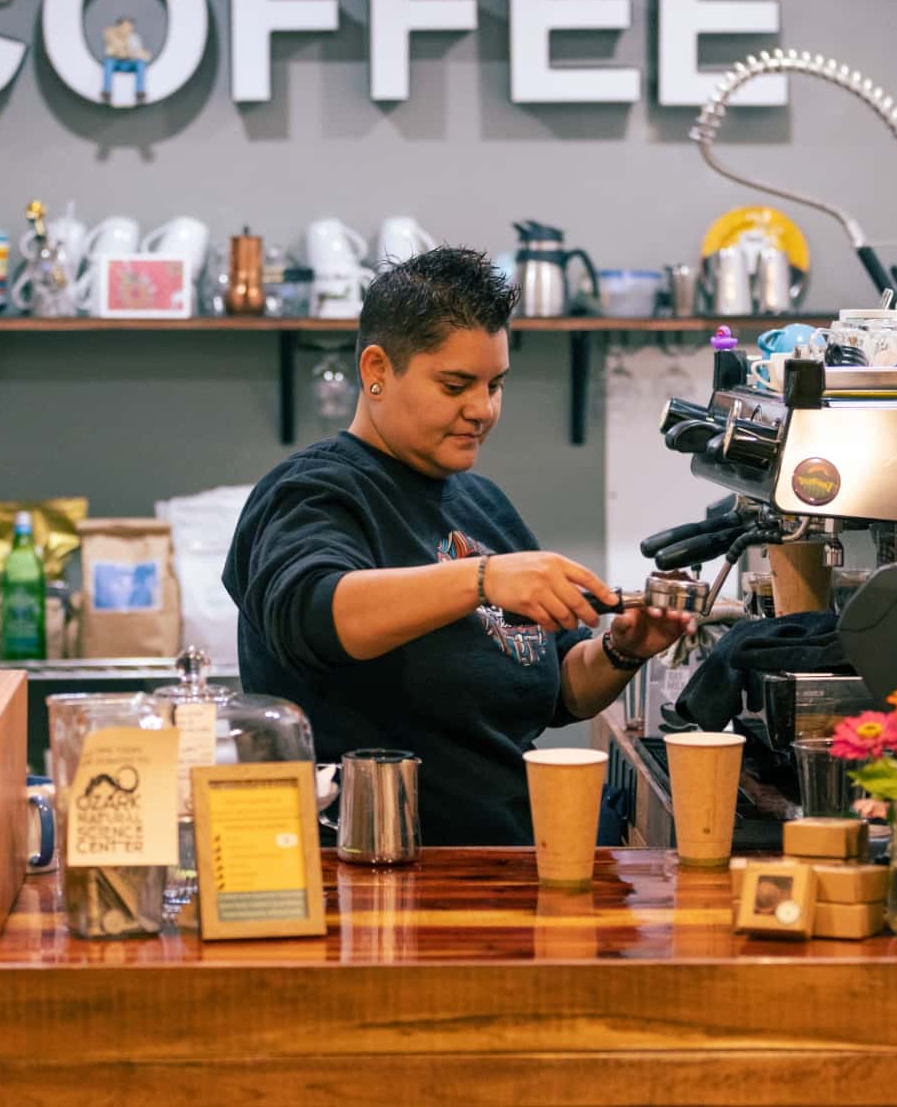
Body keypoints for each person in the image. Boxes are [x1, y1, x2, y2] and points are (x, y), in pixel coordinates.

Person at [222, 247, 695, 845]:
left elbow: (559, 693)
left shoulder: (483, 505)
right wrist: (481, 579)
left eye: (495, 385)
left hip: (509, 858)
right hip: (370, 870)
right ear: (377, 369)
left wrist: (622, 652)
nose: (483, 409)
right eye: (456, 385)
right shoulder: (312, 491)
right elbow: (313, 613)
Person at [100, 16, 151, 105]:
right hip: (117, 63)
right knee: (108, 62)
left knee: (140, 63)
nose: (128, 28)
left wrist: (130, 52)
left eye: (130, 26)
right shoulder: (111, 35)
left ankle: (140, 92)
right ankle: (106, 92)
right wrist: (121, 48)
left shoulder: (134, 38)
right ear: (119, 26)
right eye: (125, 25)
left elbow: (141, 54)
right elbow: (109, 52)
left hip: (130, 63)